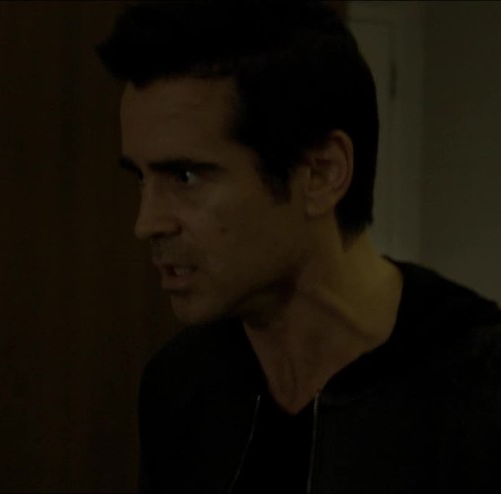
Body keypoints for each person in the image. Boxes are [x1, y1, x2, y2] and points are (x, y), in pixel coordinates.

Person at [96, 1, 501, 492]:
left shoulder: (478, 388)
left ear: (322, 174)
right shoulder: (182, 384)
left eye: (185, 177)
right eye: (140, 178)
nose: (147, 224)